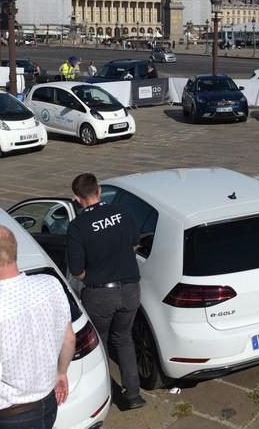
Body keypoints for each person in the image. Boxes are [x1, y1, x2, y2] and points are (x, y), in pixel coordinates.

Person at [0, 224, 74, 429]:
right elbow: (69, 338)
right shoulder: (51, 284)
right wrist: (61, 373)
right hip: (48, 404)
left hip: (7, 417)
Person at [66, 173, 146, 411]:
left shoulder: (77, 226)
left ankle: (104, 392)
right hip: (130, 289)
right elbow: (134, 245)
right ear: (99, 191)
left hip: (100, 294)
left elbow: (77, 271)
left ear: (77, 199)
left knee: (99, 344)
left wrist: (96, 276)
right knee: (124, 338)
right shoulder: (123, 212)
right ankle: (133, 394)